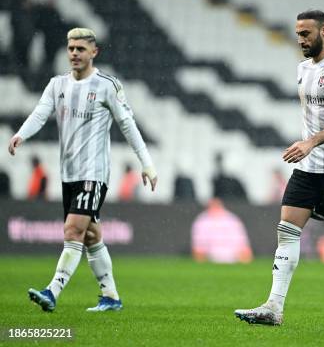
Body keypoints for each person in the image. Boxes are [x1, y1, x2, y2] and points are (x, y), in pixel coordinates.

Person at [234, 10, 324, 328]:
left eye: (306, 33)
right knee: (287, 230)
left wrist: (310, 142)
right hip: (308, 168)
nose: (300, 39)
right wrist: (308, 148)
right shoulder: (301, 68)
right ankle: (273, 307)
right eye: (298, 33)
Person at [7, 28, 158, 312]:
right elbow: (41, 111)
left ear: (94, 52)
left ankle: (52, 291)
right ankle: (111, 296)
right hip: (69, 174)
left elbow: (128, 125)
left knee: (72, 230)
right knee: (90, 236)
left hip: (94, 174)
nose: (74, 53)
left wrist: (147, 164)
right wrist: (21, 134)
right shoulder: (57, 84)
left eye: (80, 49)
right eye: (71, 48)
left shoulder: (107, 85)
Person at [191, 198, 252, 263]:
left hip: (233, 256)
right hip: (211, 256)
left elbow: (243, 244)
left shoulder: (232, 219)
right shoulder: (202, 221)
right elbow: (198, 247)